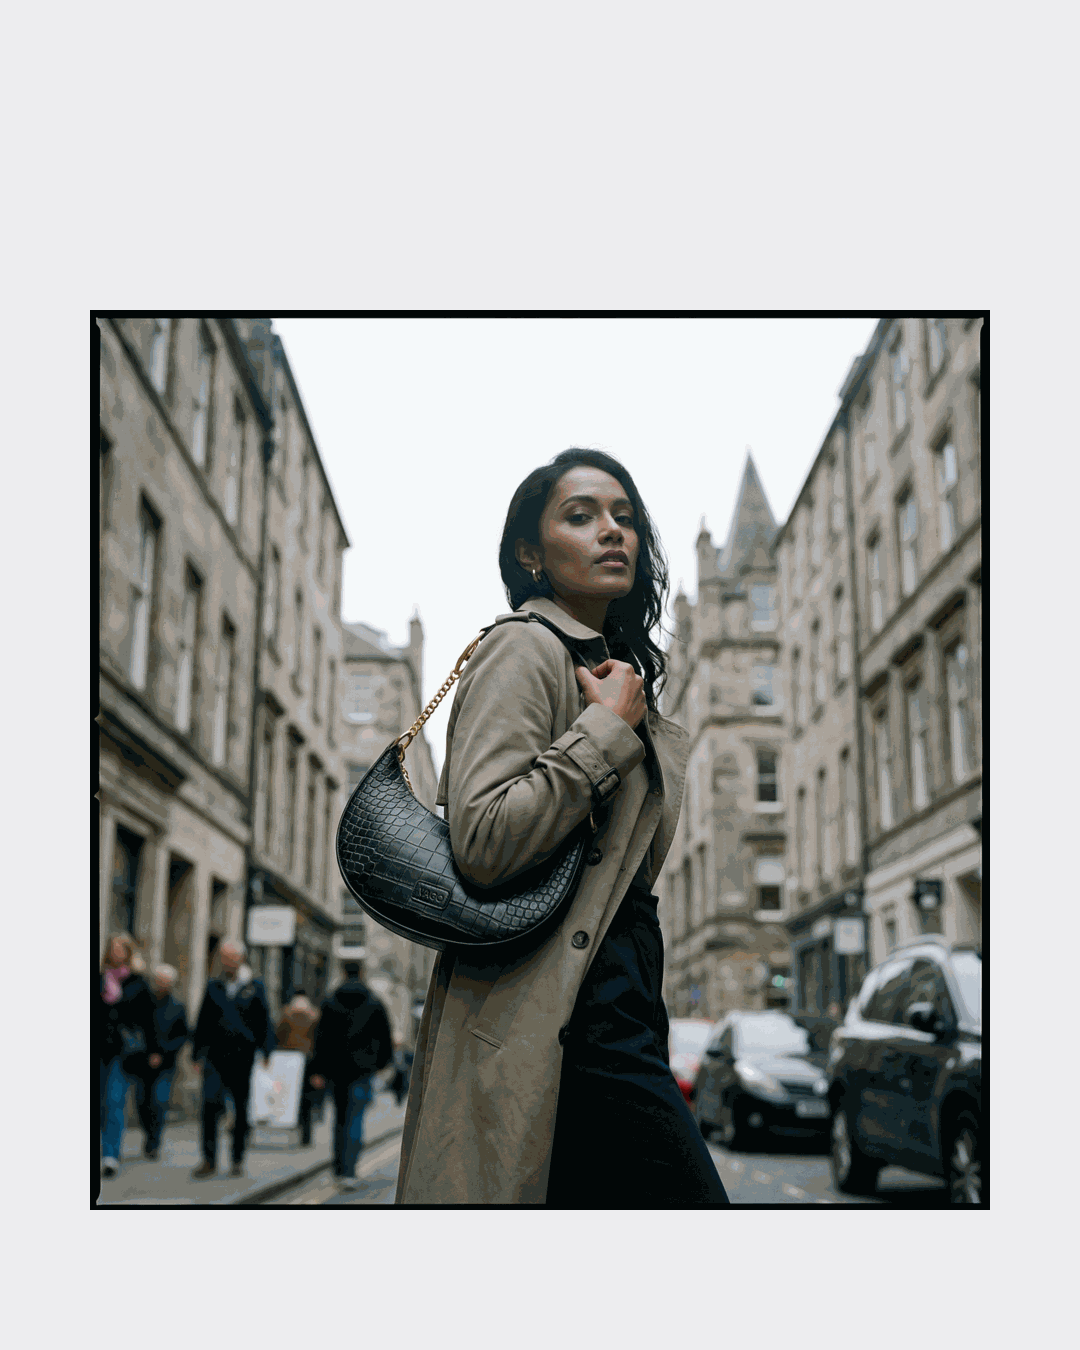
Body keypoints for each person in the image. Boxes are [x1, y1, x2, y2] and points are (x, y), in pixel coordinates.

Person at [395, 449, 729, 1205]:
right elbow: (481, 841)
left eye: (624, 517)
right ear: (531, 553)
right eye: (580, 516)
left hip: (616, 1006)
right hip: (570, 1022)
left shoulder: (606, 667)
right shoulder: (523, 646)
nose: (612, 531)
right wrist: (606, 733)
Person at [190, 940, 274, 1179]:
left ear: (241, 959)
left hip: (242, 1057)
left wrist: (267, 1051)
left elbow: (264, 1021)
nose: (227, 962)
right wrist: (197, 1053)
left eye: (231, 957)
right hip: (215, 1057)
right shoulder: (214, 986)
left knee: (240, 1109)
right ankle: (208, 1159)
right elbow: (203, 1020)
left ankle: (237, 1158)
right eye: (224, 957)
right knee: (210, 1106)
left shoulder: (255, 987)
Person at [308, 959, 393, 1191]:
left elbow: (321, 1038)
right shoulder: (374, 1002)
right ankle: (349, 1171)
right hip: (362, 1071)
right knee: (355, 1120)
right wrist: (381, 1063)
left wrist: (317, 1069)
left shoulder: (330, 1001)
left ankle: (338, 1167)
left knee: (339, 1119)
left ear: (342, 972)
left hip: (335, 1071)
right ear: (362, 972)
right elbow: (384, 1037)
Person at [97, 933, 160, 1178]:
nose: (116, 952)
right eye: (112, 948)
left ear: (128, 953)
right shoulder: (99, 978)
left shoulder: (137, 983)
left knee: (114, 1101)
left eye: (120, 948)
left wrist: (154, 1050)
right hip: (98, 1048)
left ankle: (110, 1154)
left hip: (123, 1054)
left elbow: (149, 1019)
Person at [133, 964, 189, 1161]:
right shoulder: (143, 1003)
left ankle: (153, 1143)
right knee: (141, 1102)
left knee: (158, 1101)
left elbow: (182, 1036)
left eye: (165, 982)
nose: (161, 985)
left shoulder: (177, 1007)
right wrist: (146, 1053)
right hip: (142, 1062)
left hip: (165, 1064)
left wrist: (163, 1053)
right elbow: (136, 1028)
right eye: (159, 980)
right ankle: (148, 1133)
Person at [275, 991, 320, 1146]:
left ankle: (286, 1122)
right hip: (307, 1059)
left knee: (287, 1094)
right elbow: (318, 1038)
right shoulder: (314, 1016)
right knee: (306, 1099)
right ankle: (306, 1135)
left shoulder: (287, 1015)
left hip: (288, 1058)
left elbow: (278, 1035)